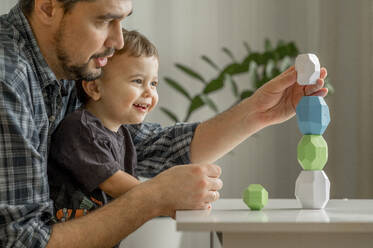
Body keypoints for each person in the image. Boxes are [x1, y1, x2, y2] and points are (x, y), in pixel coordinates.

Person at [0, 0, 327, 247]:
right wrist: (153, 197)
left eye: (123, 21)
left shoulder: (68, 68)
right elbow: (23, 241)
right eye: (105, 20)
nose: (117, 41)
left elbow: (156, 146)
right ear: (47, 7)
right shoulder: (8, 78)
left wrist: (259, 112)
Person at [47, 29, 170, 223]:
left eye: (153, 83)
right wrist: (166, 199)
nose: (149, 92)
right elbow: (114, 183)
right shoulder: (80, 129)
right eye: (138, 81)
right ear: (95, 88)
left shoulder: (123, 136)